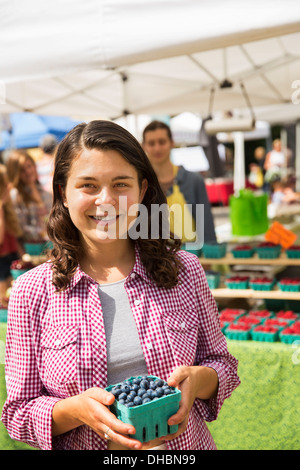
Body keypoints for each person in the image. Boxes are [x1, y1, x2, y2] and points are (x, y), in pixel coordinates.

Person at [1, 120, 240, 451]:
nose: (106, 200)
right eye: (88, 185)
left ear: (142, 191)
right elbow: (18, 414)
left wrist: (200, 380)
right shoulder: (32, 292)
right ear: (63, 193)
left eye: (120, 184)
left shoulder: (185, 270)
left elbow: (223, 364)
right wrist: (75, 411)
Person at [142, 120, 216, 248]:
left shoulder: (194, 180)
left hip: (191, 259)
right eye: (151, 143)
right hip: (153, 261)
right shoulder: (141, 185)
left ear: (172, 143)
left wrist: (209, 256)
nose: (157, 148)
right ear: (143, 146)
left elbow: (206, 226)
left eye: (162, 142)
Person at [6, 149, 52, 244]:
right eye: (22, 170)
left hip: (51, 245)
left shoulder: (44, 191)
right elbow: (19, 228)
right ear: (15, 173)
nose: (28, 172)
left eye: (29, 166)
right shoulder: (15, 195)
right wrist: (42, 232)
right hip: (32, 249)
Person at [0, 165, 23, 306]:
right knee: (4, 302)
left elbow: (14, 237)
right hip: (1, 262)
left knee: (12, 299)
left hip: (12, 257)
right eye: (5, 182)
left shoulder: (7, 209)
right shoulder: (2, 209)